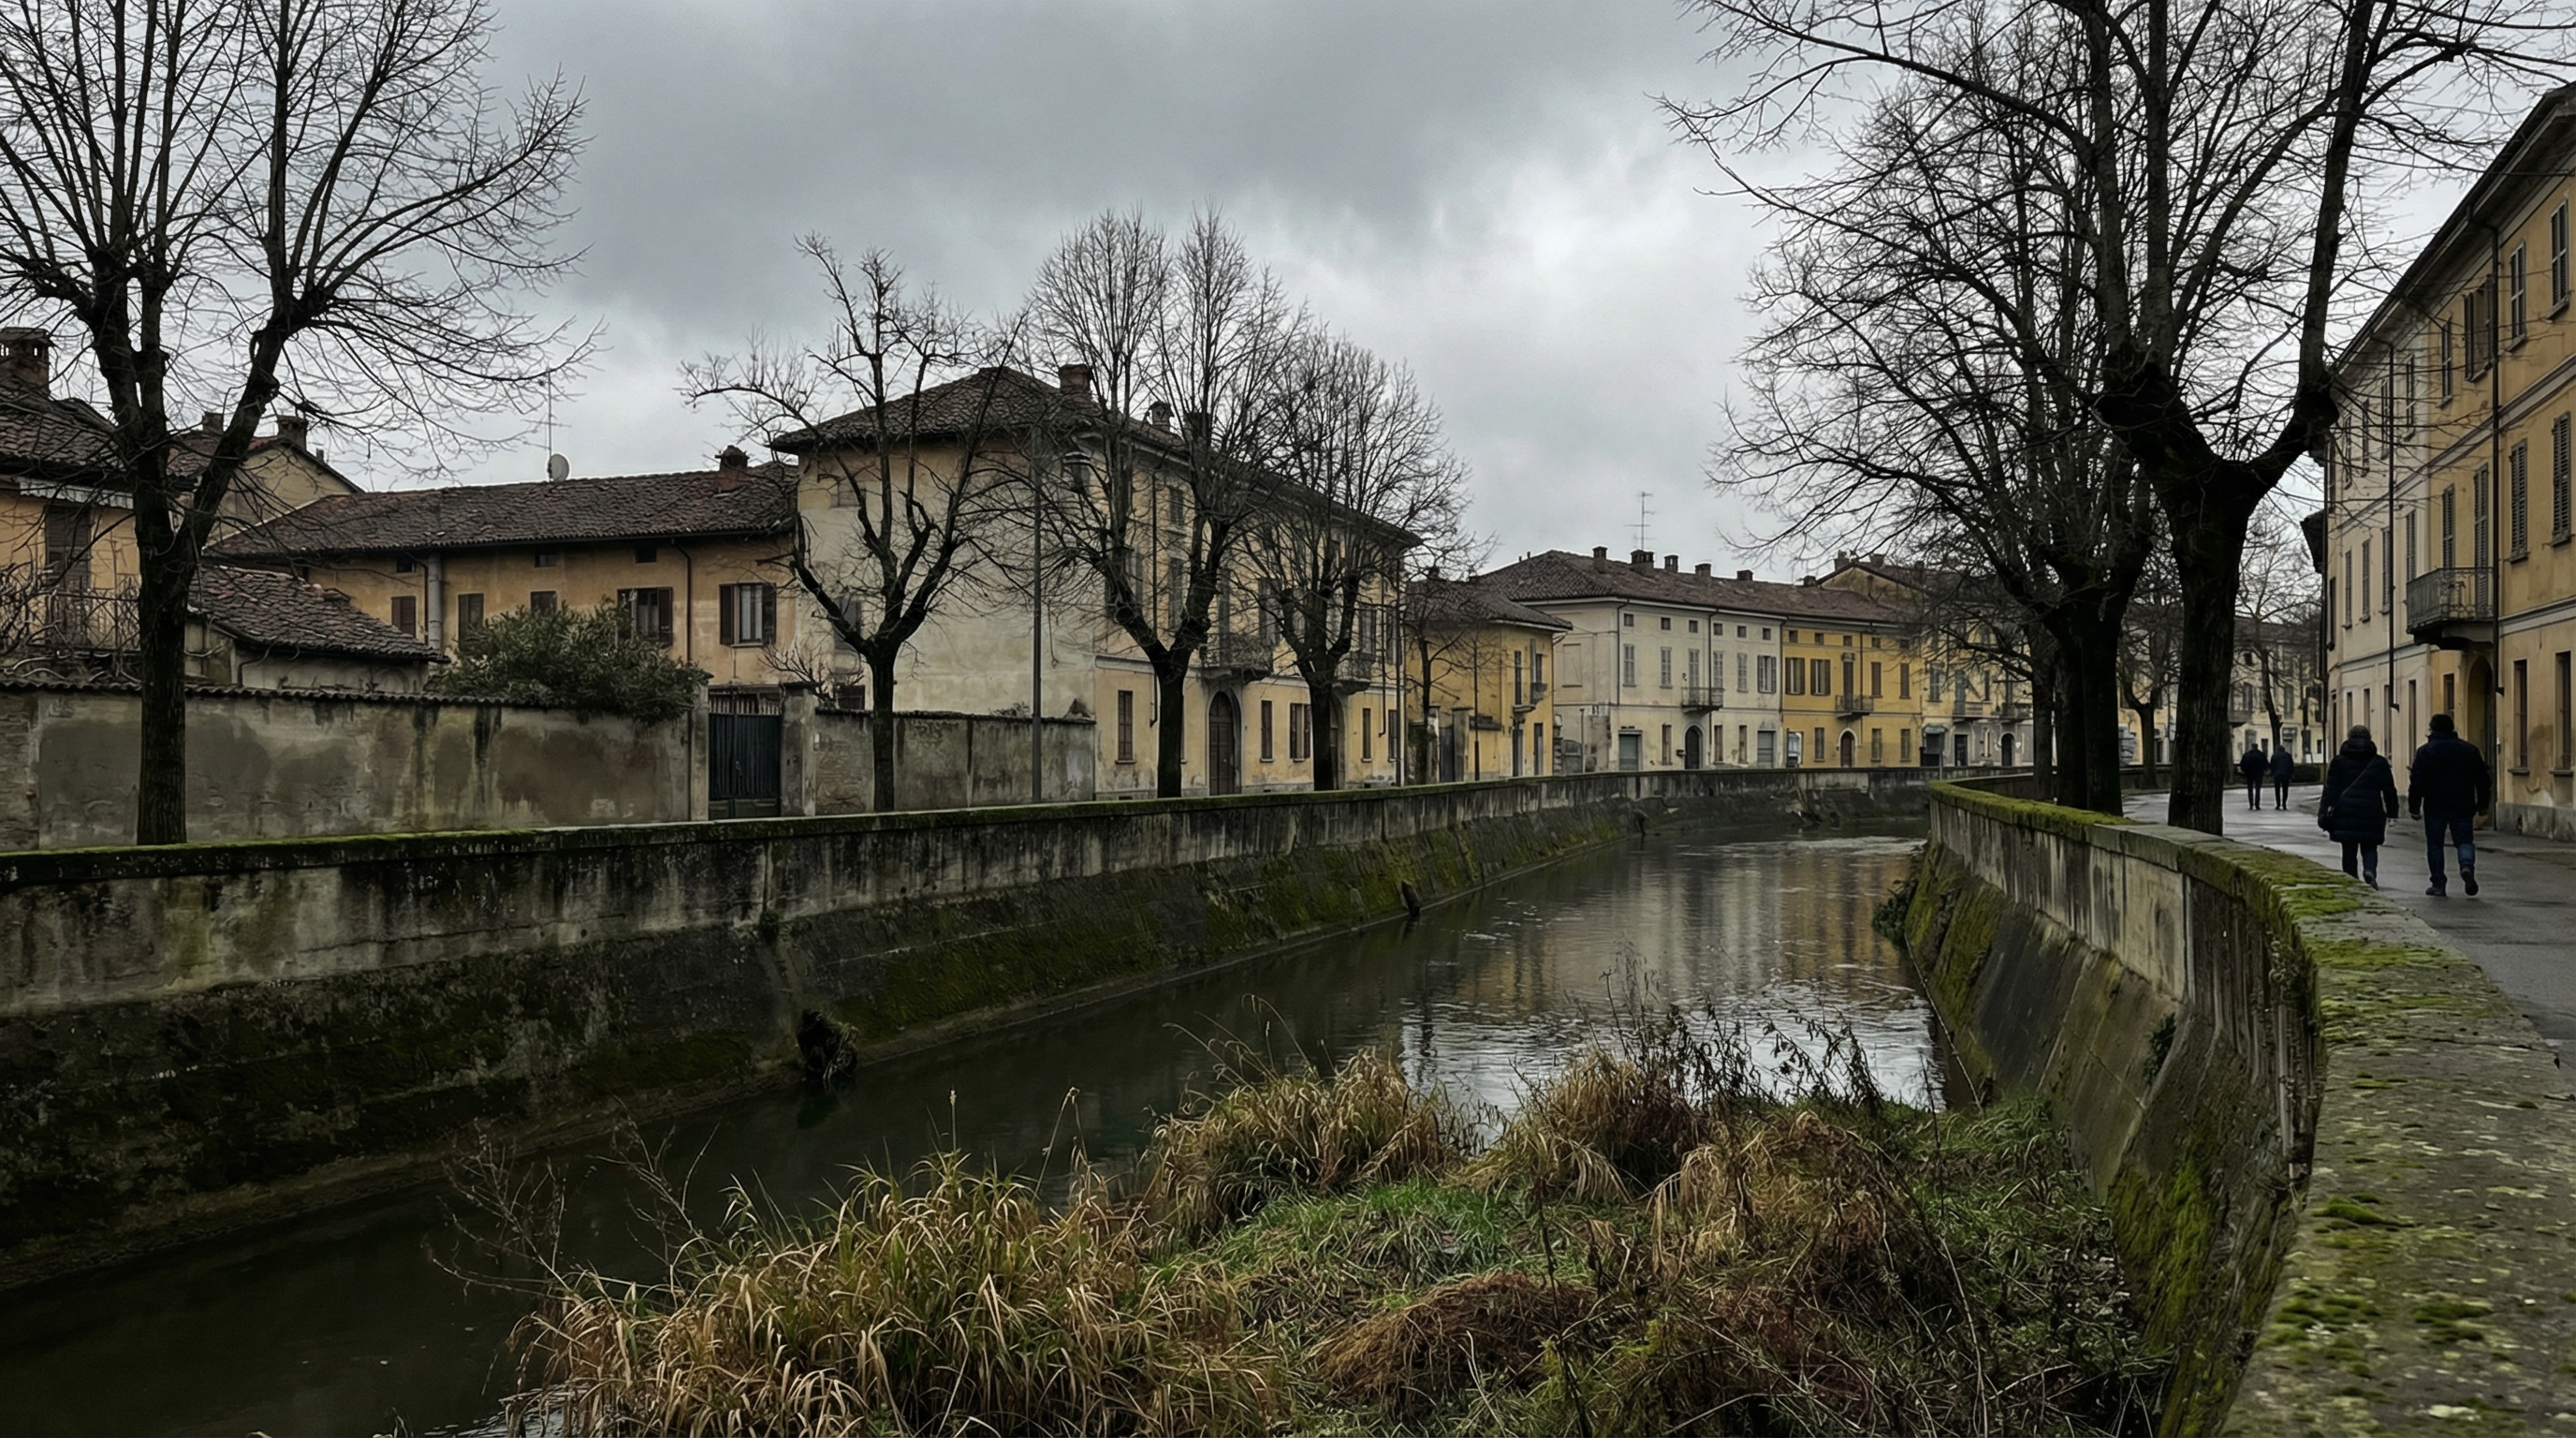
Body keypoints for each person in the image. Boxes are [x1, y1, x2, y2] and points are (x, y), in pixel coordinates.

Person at [2408, 712, 2493, 898]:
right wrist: (2483, 804)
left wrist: (2414, 806)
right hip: (2463, 803)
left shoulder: (2425, 751)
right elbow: (2483, 779)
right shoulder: (2469, 750)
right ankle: (2466, 866)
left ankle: (2438, 883)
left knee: (2435, 844)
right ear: (2452, 728)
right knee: (2464, 841)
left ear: (2432, 729)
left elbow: (2417, 781)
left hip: (2435, 805)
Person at [2319, 725, 2399, 888]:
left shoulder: (2338, 761)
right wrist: (2392, 812)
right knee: (2370, 845)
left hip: (2345, 811)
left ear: (2349, 738)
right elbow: (2389, 789)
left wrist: (2324, 811)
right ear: (2369, 739)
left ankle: (2351, 880)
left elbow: (2331, 789)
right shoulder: (2379, 762)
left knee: (2348, 848)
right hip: (2372, 810)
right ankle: (2369, 871)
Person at [2238, 742, 2269, 811]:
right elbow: (2266, 764)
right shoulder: (2261, 755)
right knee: (2258, 789)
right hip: (2259, 773)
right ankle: (2257, 804)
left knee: (2250, 789)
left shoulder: (2247, 755)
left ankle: (2251, 804)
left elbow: (2242, 764)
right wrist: (2264, 770)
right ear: (2257, 747)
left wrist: (2245, 771)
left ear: (2251, 747)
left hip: (2249, 774)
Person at [2271, 741, 2296, 810]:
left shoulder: (2275, 755)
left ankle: (2278, 804)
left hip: (2277, 775)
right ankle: (2284, 804)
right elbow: (2291, 765)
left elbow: (2272, 765)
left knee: (2277, 790)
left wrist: (2273, 773)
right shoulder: (2288, 755)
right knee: (2285, 790)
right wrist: (2291, 774)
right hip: (2286, 775)